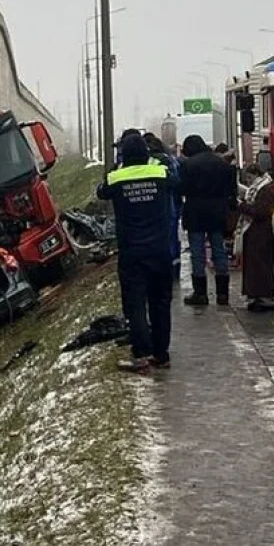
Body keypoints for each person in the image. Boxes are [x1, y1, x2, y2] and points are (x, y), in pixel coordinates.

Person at [97, 131, 173, 371]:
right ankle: (161, 354)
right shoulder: (160, 172)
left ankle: (142, 354)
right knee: (161, 303)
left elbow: (101, 192)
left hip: (132, 252)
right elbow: (177, 184)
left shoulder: (116, 177)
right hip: (160, 249)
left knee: (136, 303)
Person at [179, 134, 237, 306]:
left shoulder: (187, 165)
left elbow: (182, 188)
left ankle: (200, 294)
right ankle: (222, 294)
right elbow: (231, 191)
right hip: (217, 213)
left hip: (195, 214)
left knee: (197, 253)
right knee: (219, 251)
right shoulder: (222, 164)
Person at [236, 164, 274, 311]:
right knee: (256, 264)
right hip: (256, 233)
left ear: (256, 175)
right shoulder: (261, 188)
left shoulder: (264, 190)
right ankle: (258, 296)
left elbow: (261, 211)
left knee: (259, 265)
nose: (248, 181)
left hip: (259, 233)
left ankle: (263, 296)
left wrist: (241, 206)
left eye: (249, 177)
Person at [145, 132, 183, 283]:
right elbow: (177, 181)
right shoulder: (171, 160)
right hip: (173, 204)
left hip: (160, 205)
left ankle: (160, 271)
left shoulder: (151, 162)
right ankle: (174, 271)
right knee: (172, 238)